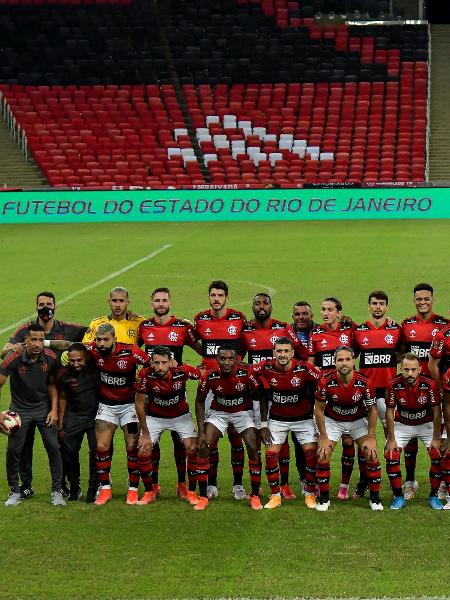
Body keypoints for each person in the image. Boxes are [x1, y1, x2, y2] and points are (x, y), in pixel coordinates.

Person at [1, 291, 86, 500]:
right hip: (22, 404)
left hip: (52, 400)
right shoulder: (22, 335)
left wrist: (54, 409)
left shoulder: (65, 330)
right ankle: (22, 486)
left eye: (49, 304)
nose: (45, 307)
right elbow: (4, 352)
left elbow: (90, 334)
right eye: (41, 304)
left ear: (55, 306)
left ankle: (61, 487)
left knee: (58, 444)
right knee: (20, 447)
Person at [138, 287, 202, 499]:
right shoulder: (144, 327)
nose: (161, 303)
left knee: (180, 442)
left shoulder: (182, 327)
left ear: (170, 303)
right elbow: (134, 351)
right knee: (150, 444)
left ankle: (182, 484)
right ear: (151, 303)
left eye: (164, 300)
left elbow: (203, 349)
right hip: (151, 391)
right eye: (157, 300)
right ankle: (153, 485)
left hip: (176, 389)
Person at [240, 293, 305, 500]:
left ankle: (284, 485)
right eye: (257, 303)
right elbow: (237, 358)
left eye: (265, 303)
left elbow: (302, 353)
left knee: (281, 440)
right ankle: (257, 486)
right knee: (257, 440)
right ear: (252, 307)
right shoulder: (246, 330)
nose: (261, 307)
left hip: (280, 393)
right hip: (256, 394)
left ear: (271, 307)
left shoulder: (284, 328)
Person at [0, 323, 66, 506]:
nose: (38, 344)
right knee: (13, 450)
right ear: (25, 341)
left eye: (40, 340)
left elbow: (54, 386)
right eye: (33, 340)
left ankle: (57, 491)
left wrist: (54, 410)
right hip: (20, 410)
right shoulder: (13, 358)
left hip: (44, 409)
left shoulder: (51, 357)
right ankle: (15, 491)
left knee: (53, 447)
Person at [252, 336, 321, 509]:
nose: (282, 354)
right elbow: (247, 372)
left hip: (303, 419)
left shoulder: (304, 369)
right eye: (279, 351)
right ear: (273, 353)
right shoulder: (265, 367)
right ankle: (275, 496)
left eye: (286, 351)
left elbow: (322, 379)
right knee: (270, 455)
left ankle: (310, 494)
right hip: (277, 419)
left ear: (292, 353)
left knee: (311, 455)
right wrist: (263, 425)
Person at [194, 280, 247, 500]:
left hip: (234, 386)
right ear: (209, 297)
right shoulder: (200, 319)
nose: (216, 299)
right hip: (210, 386)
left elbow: (246, 344)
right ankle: (212, 484)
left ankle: (237, 485)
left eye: (220, 295)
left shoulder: (238, 319)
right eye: (213, 295)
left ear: (227, 298)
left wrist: (239, 365)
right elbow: (196, 343)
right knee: (210, 437)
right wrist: (206, 363)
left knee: (236, 436)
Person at [86, 322, 150, 506]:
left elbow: (150, 363)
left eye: (106, 339)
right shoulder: (94, 350)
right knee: (102, 446)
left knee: (131, 445)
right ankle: (105, 489)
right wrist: (51, 345)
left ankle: (133, 489)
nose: (101, 343)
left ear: (115, 339)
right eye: (98, 339)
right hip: (106, 407)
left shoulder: (131, 352)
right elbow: (69, 345)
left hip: (129, 407)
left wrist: (143, 383)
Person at [314, 346, 383, 511]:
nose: (344, 363)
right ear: (334, 362)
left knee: (371, 454)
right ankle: (324, 499)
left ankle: (375, 499)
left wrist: (371, 437)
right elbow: (319, 409)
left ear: (353, 362)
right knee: (323, 454)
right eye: (340, 360)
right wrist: (323, 437)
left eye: (347, 359)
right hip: (333, 420)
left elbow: (373, 410)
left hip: (357, 420)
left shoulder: (365, 382)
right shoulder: (325, 381)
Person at [308, 297, 364, 501]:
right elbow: (311, 363)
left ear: (338, 312)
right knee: (322, 442)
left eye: (330, 309)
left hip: (348, 391)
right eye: (323, 309)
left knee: (349, 441)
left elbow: (360, 345)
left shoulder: (350, 329)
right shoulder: (315, 333)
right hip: (325, 393)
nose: (325, 313)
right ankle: (317, 485)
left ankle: (344, 486)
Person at [195, 343, 263, 511]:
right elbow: (199, 401)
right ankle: (203, 496)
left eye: (230, 359)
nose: (226, 363)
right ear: (217, 360)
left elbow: (261, 396)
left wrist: (262, 424)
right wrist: (201, 430)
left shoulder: (247, 374)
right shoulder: (209, 376)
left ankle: (254, 495)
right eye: (223, 359)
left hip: (242, 413)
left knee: (253, 446)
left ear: (236, 360)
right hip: (220, 413)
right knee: (203, 446)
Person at [134, 345, 203, 507]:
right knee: (144, 449)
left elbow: (200, 374)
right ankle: (149, 492)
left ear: (171, 362)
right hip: (155, 417)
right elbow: (139, 404)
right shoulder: (145, 375)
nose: (160, 367)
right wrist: (144, 432)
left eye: (164, 362)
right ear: (151, 363)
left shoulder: (183, 371)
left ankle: (190, 491)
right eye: (156, 363)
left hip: (180, 416)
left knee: (192, 448)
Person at [400, 283, 448, 500]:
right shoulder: (406, 325)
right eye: (419, 299)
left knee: (440, 438)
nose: (422, 302)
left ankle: (441, 484)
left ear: (433, 300)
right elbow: (401, 353)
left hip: (437, 388)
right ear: (414, 300)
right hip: (412, 388)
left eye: (426, 298)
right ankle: (410, 481)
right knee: (410, 437)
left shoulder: (444, 325)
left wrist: (440, 387)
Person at [353, 291, 401, 498]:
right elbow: (351, 355)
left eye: (382, 303)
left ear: (387, 307)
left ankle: (394, 483)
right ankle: (364, 481)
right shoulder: (359, 330)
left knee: (393, 438)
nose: (378, 307)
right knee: (364, 440)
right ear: (369, 306)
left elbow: (403, 353)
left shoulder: (396, 329)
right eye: (374, 303)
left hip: (389, 393)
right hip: (366, 394)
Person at [385, 353, 443, 510]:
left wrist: (436, 438)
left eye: (413, 370)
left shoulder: (429, 384)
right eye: (406, 369)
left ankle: (433, 496)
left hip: (426, 424)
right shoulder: (393, 384)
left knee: (437, 454)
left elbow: (437, 411)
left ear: (420, 369)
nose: (409, 374)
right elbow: (389, 412)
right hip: (403, 424)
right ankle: (398, 496)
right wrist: (391, 439)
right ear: (401, 368)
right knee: (391, 454)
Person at [56, 343, 99, 503]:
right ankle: (74, 488)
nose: (76, 364)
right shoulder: (64, 374)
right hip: (73, 417)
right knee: (70, 453)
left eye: (79, 360)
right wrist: (61, 423)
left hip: (95, 417)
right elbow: (62, 398)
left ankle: (93, 489)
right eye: (72, 360)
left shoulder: (96, 369)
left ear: (86, 357)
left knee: (96, 452)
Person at [429, 320, 450, 508]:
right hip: (448, 391)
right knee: (444, 440)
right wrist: (441, 388)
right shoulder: (442, 335)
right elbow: (432, 364)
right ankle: (444, 483)